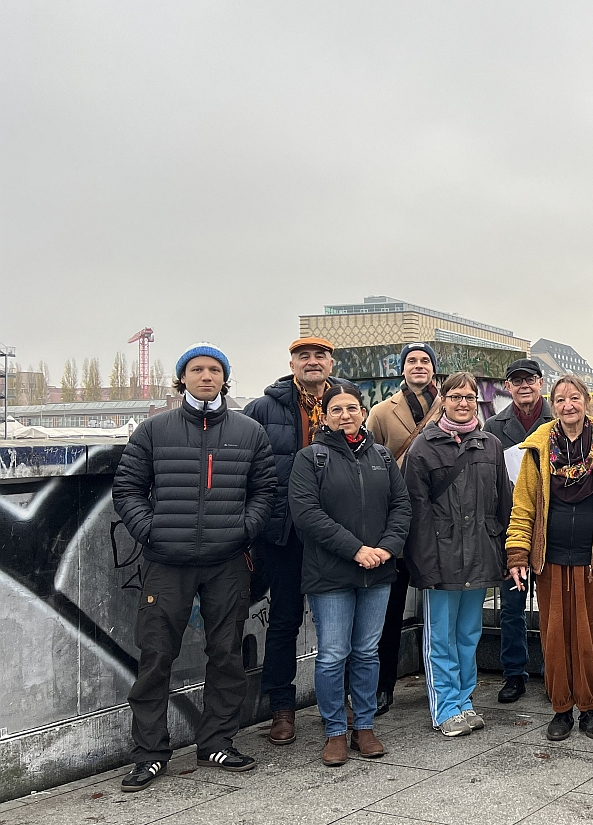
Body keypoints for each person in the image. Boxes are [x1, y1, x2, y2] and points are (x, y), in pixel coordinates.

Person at [113, 344, 277, 791]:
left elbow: (265, 491)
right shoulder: (154, 430)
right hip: (167, 562)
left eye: (214, 369)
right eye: (197, 369)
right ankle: (149, 753)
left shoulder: (249, 432)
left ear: (225, 378)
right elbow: (127, 489)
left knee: (226, 655)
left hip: (228, 561)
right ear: (182, 377)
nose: (206, 376)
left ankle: (216, 742)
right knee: (155, 656)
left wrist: (243, 530)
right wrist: (152, 532)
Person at [506, 376, 593, 741]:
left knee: (591, 635)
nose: (568, 405)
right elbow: (523, 505)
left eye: (575, 398)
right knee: (554, 637)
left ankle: (590, 708)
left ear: (586, 401)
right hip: (551, 560)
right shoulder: (537, 449)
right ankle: (562, 709)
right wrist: (517, 552)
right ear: (554, 405)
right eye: (561, 399)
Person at [288, 381, 411, 766]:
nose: (345, 415)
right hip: (330, 574)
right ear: (325, 417)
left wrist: (386, 548)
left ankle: (365, 725)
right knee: (332, 654)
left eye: (352, 408)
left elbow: (401, 506)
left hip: (378, 572)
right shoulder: (311, 458)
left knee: (367, 652)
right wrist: (356, 549)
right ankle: (335, 730)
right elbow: (306, 514)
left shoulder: (381, 456)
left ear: (363, 412)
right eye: (337, 409)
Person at [404, 372, 512, 738]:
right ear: (444, 401)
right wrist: (423, 564)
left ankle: (465, 701)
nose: (463, 403)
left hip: (480, 554)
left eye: (468, 397)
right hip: (441, 558)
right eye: (455, 397)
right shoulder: (423, 447)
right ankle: (444, 708)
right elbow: (415, 513)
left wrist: (506, 553)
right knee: (440, 638)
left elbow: (503, 502)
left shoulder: (490, 445)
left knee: (468, 634)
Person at [244, 336, 335, 746]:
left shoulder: (346, 402)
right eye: (303, 356)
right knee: (283, 622)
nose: (312, 361)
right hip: (283, 533)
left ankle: (342, 702)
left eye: (320, 355)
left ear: (330, 363)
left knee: (339, 622)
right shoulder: (264, 409)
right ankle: (281, 709)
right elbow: (242, 467)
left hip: (334, 533)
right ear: (292, 363)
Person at [366, 342, 441, 717]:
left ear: (433, 369)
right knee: (390, 610)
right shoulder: (381, 412)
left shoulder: (449, 406)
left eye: (425, 360)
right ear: (402, 369)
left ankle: (441, 683)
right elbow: (367, 463)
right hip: (394, 521)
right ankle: (383, 685)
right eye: (412, 361)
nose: (419, 366)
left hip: (437, 520)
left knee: (440, 608)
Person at [484, 358, 553, 704]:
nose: (524, 386)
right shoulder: (493, 426)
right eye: (517, 381)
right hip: (513, 528)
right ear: (508, 387)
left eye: (530, 379)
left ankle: (556, 671)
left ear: (541, 383)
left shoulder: (559, 420)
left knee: (554, 607)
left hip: (554, 529)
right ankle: (514, 673)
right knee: (511, 606)